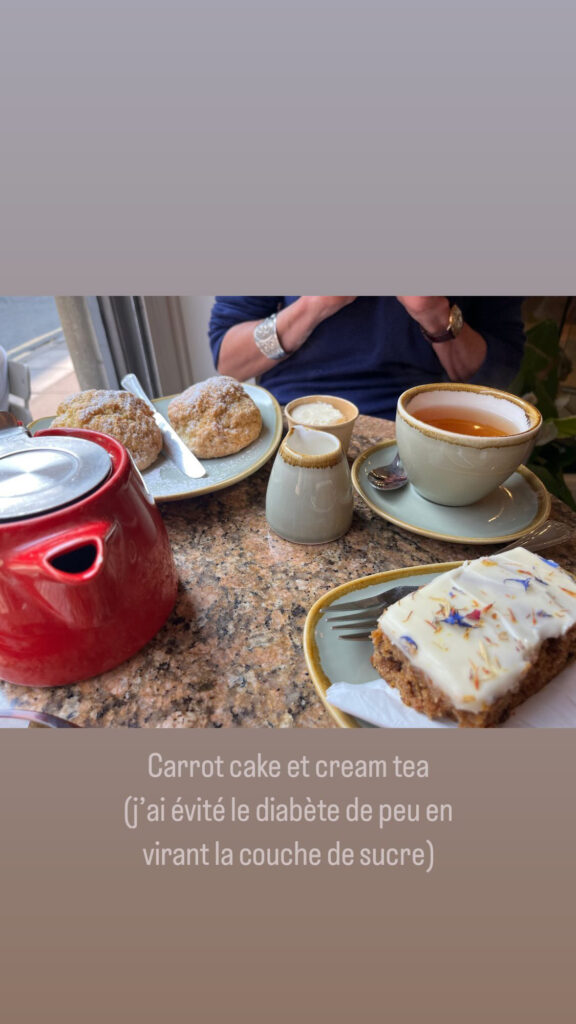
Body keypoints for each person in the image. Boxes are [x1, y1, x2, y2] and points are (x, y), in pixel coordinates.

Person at [208, 296, 526, 420]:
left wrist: (433, 313)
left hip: (418, 425)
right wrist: (314, 306)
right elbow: (229, 359)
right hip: (292, 420)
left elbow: (495, 376)